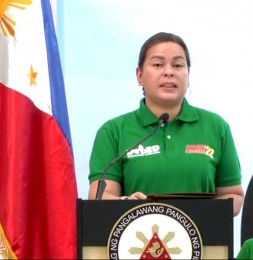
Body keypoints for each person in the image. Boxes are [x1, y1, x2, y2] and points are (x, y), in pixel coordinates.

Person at [88, 32, 244, 215]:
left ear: (188, 74)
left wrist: (201, 214)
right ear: (140, 76)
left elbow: (234, 196)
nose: (169, 72)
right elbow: (100, 196)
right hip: (138, 241)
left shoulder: (216, 126)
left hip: (202, 241)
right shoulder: (114, 131)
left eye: (178, 65)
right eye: (158, 64)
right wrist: (127, 204)